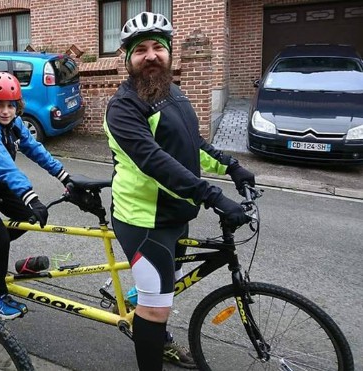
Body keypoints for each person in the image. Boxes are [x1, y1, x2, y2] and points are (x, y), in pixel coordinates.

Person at [103, 12, 255, 370]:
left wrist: (231, 167)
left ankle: (139, 307)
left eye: (159, 47)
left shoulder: (173, 93)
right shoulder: (123, 106)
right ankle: (153, 339)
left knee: (160, 287)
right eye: (141, 50)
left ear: (170, 54)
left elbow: (192, 144)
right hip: (143, 220)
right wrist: (212, 196)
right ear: (128, 58)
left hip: (178, 214)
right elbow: (154, 161)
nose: (151, 55)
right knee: (157, 308)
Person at [0, 72, 71, 320]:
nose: (5, 111)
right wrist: (32, 196)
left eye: (11, 106)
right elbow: (4, 167)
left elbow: (35, 149)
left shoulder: (14, 124)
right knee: (0, 240)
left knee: (29, 217)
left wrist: (65, 176)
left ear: (18, 106)